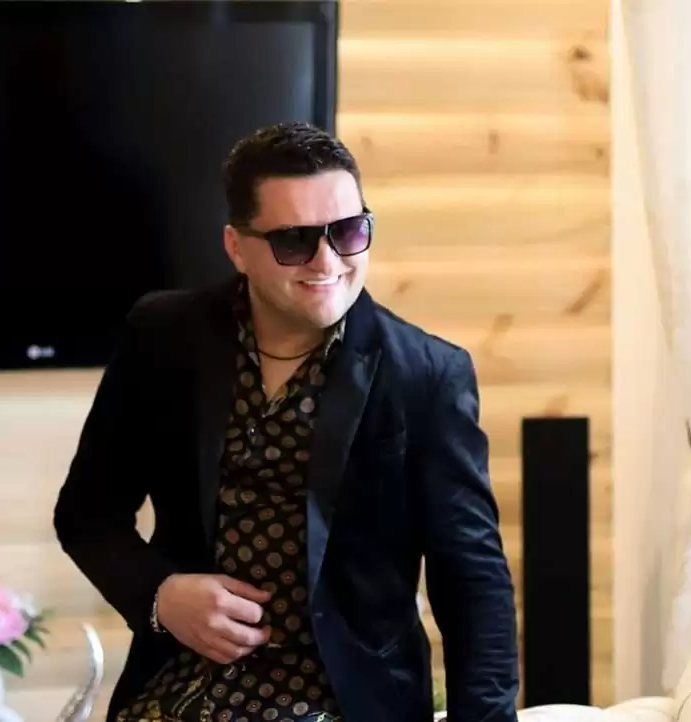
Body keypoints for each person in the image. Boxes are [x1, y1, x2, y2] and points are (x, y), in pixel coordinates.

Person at [54, 121, 519, 722]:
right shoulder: (163, 336)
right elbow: (87, 515)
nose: (327, 261)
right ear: (236, 247)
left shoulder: (426, 375)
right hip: (178, 684)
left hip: (341, 699)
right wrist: (160, 596)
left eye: (348, 232)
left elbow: (473, 580)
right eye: (294, 240)